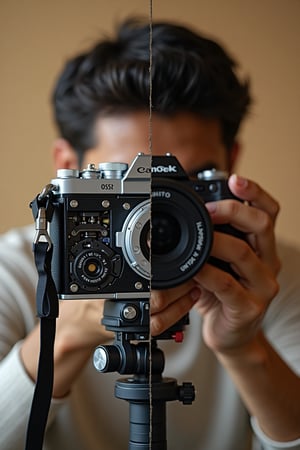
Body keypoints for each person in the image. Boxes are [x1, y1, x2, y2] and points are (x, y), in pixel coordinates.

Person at [0, 17, 300, 450]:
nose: (155, 215)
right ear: (69, 166)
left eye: (186, 183)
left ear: (231, 162)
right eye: (128, 184)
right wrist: (64, 335)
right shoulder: (17, 271)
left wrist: (244, 346)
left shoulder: (268, 275)